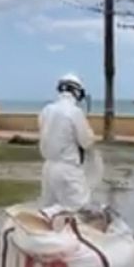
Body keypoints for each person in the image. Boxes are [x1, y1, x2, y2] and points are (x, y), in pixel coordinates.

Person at [38, 73, 97, 209]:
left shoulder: (46, 110)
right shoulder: (74, 112)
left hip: (48, 168)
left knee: (48, 211)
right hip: (68, 169)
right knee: (79, 209)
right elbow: (86, 141)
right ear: (76, 92)